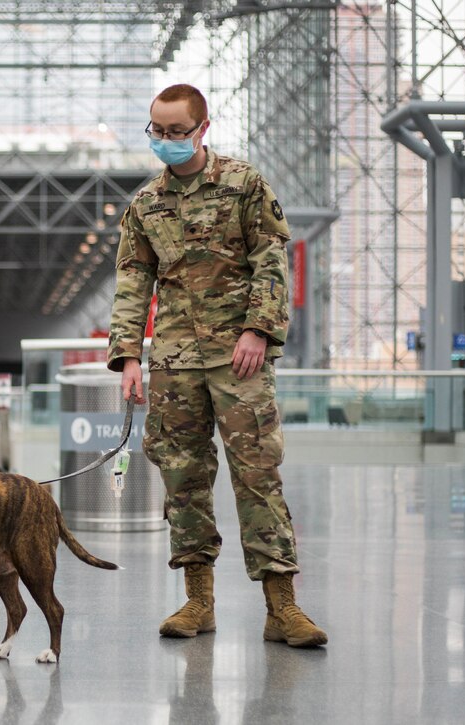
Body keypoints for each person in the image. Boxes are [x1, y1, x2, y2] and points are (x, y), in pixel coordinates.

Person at [107, 84, 327, 647]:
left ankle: (283, 608)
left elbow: (271, 260)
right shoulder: (145, 205)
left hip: (239, 357)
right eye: (156, 130)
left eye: (176, 131)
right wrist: (129, 357)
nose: (165, 141)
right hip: (175, 361)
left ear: (203, 128)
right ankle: (197, 602)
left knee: (257, 475)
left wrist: (258, 328)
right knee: (183, 479)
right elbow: (134, 283)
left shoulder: (244, 185)